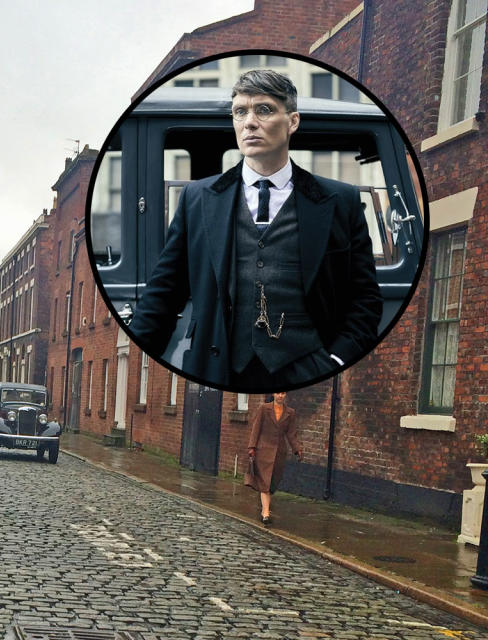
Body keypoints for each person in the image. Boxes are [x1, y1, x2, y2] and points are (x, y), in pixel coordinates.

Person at [128, 69, 382, 391]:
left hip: (308, 370)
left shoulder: (340, 201)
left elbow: (365, 298)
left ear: (292, 122)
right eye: (240, 112)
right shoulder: (197, 198)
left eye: (263, 110)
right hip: (218, 369)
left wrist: (336, 361)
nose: (249, 122)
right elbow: (164, 291)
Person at [244, 391, 301, 525]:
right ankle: (266, 512)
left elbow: (292, 434)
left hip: (279, 452)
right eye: (278, 393)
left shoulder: (290, 413)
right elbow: (256, 428)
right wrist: (252, 447)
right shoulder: (264, 409)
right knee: (265, 482)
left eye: (283, 393)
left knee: (272, 482)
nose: (280, 396)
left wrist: (297, 449)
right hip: (263, 451)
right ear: (274, 395)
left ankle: (266, 509)